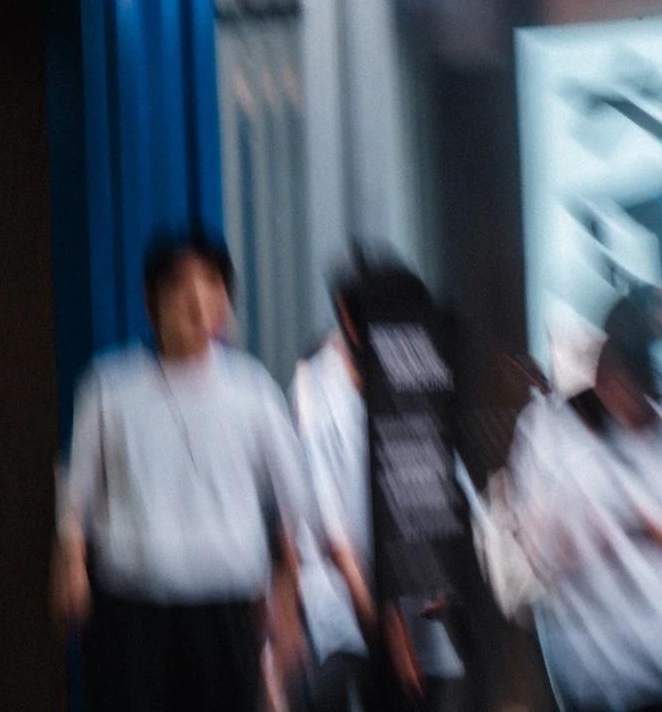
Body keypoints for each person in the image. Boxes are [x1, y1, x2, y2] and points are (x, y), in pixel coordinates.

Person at [53, 229, 313, 712]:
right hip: (131, 613)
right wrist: (71, 566)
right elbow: (76, 495)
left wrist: (288, 605)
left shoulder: (253, 390)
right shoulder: (109, 387)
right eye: (181, 285)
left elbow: (292, 510)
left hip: (226, 608)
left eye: (212, 284)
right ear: (151, 299)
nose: (197, 301)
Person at [290, 258, 468, 712]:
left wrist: (442, 578)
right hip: (350, 627)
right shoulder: (315, 392)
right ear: (350, 322)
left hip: (421, 628)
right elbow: (335, 541)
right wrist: (387, 635)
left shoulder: (413, 369)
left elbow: (447, 489)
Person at [507, 294, 662, 712]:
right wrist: (611, 526)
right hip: (602, 678)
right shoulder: (551, 432)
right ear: (609, 370)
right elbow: (536, 556)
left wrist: (653, 530)